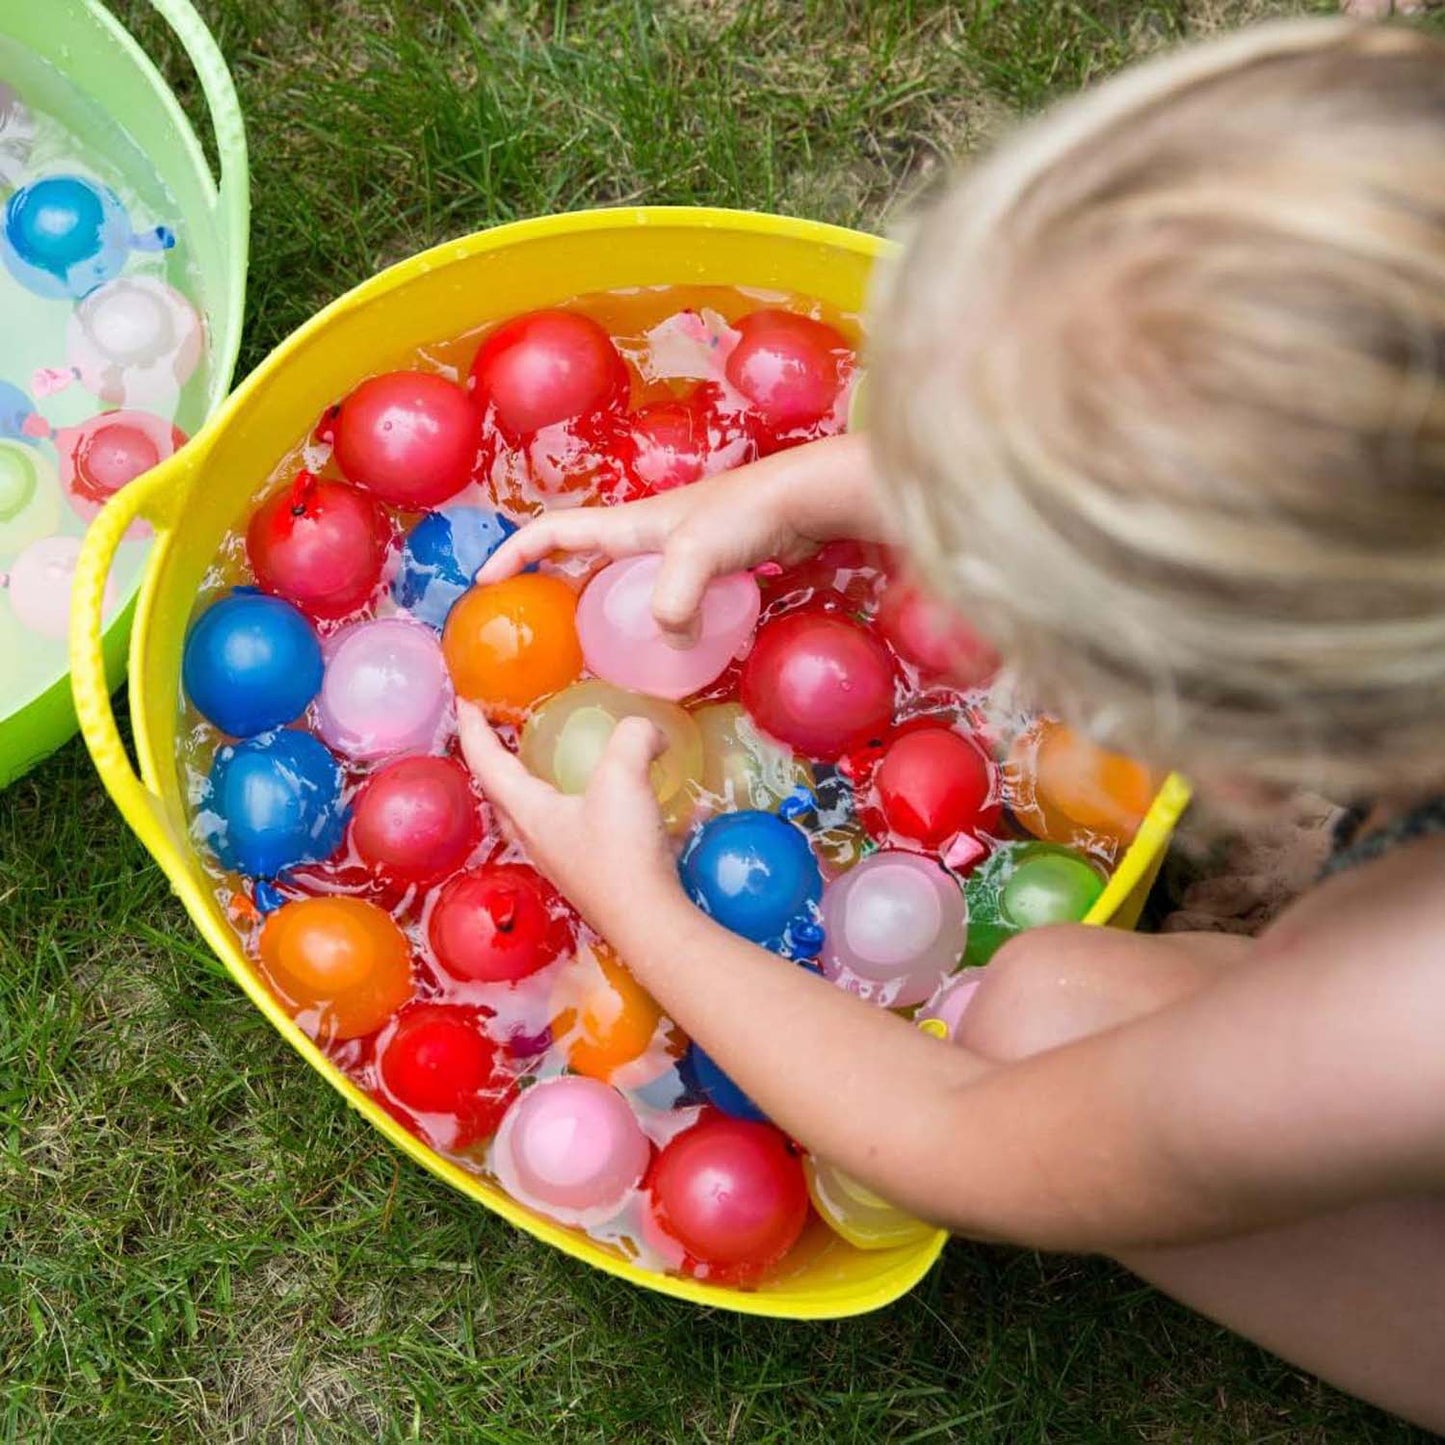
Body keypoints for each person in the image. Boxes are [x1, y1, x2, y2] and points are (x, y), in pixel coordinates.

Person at [459, 20, 1445, 1431]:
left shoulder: (1402, 1004)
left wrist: (637, 906)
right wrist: (794, 490)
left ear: (1228, 749)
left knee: (1045, 1026)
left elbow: (955, 1137)